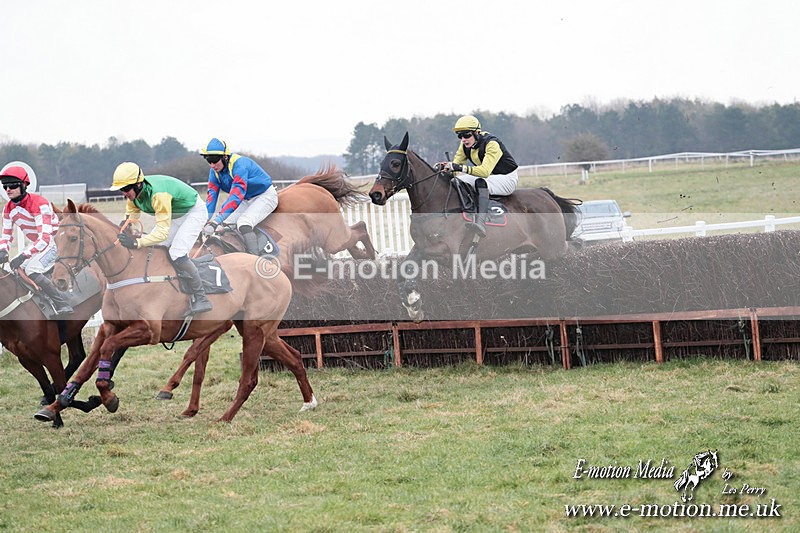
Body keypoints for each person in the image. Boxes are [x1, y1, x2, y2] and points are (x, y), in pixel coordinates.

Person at [109, 162, 212, 315]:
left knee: (176, 252)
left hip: (193, 212)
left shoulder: (159, 195)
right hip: (175, 215)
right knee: (158, 248)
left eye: (125, 189)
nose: (124, 193)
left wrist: (137, 242)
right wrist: (125, 228)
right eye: (121, 190)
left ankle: (201, 296)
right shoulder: (134, 196)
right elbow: (131, 217)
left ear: (138, 184)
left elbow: (162, 233)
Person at [0, 165, 74, 316]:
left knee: (32, 269)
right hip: (38, 245)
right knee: (10, 270)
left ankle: (62, 303)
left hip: (55, 242)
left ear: (23, 185)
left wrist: (23, 255)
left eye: (12, 185)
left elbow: (45, 238)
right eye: (5, 186)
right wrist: (3, 250)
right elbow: (6, 236)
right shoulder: (7, 209)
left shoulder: (40, 204)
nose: (8, 189)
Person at [436, 115, 519, 237]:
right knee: (456, 181)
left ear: (477, 132)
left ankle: (480, 222)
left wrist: (459, 168)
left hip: (506, 178)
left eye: (466, 135)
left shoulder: (492, 144)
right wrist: (445, 169)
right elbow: (456, 168)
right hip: (490, 177)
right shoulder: (465, 145)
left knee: (480, 181)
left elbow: (484, 172)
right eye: (460, 136)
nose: (463, 139)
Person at [201, 138, 278, 255]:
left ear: (225, 157)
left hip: (265, 196)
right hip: (246, 200)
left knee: (243, 222)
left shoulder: (239, 165)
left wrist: (215, 221)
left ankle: (254, 258)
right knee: (224, 224)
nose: (212, 164)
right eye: (208, 160)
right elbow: (211, 198)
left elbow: (236, 196)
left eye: (214, 160)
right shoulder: (214, 172)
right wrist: (204, 221)